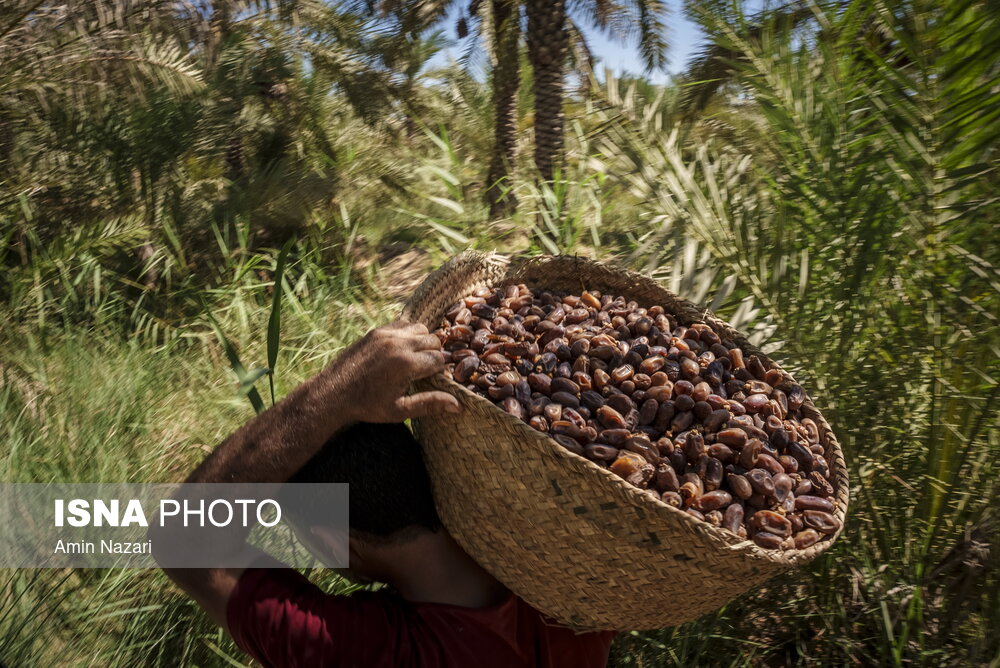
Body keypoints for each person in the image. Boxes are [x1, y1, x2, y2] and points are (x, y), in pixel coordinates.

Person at [157, 320, 616, 667]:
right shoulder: (571, 581)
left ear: (334, 544)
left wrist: (334, 394)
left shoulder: (369, 651)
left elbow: (181, 542)